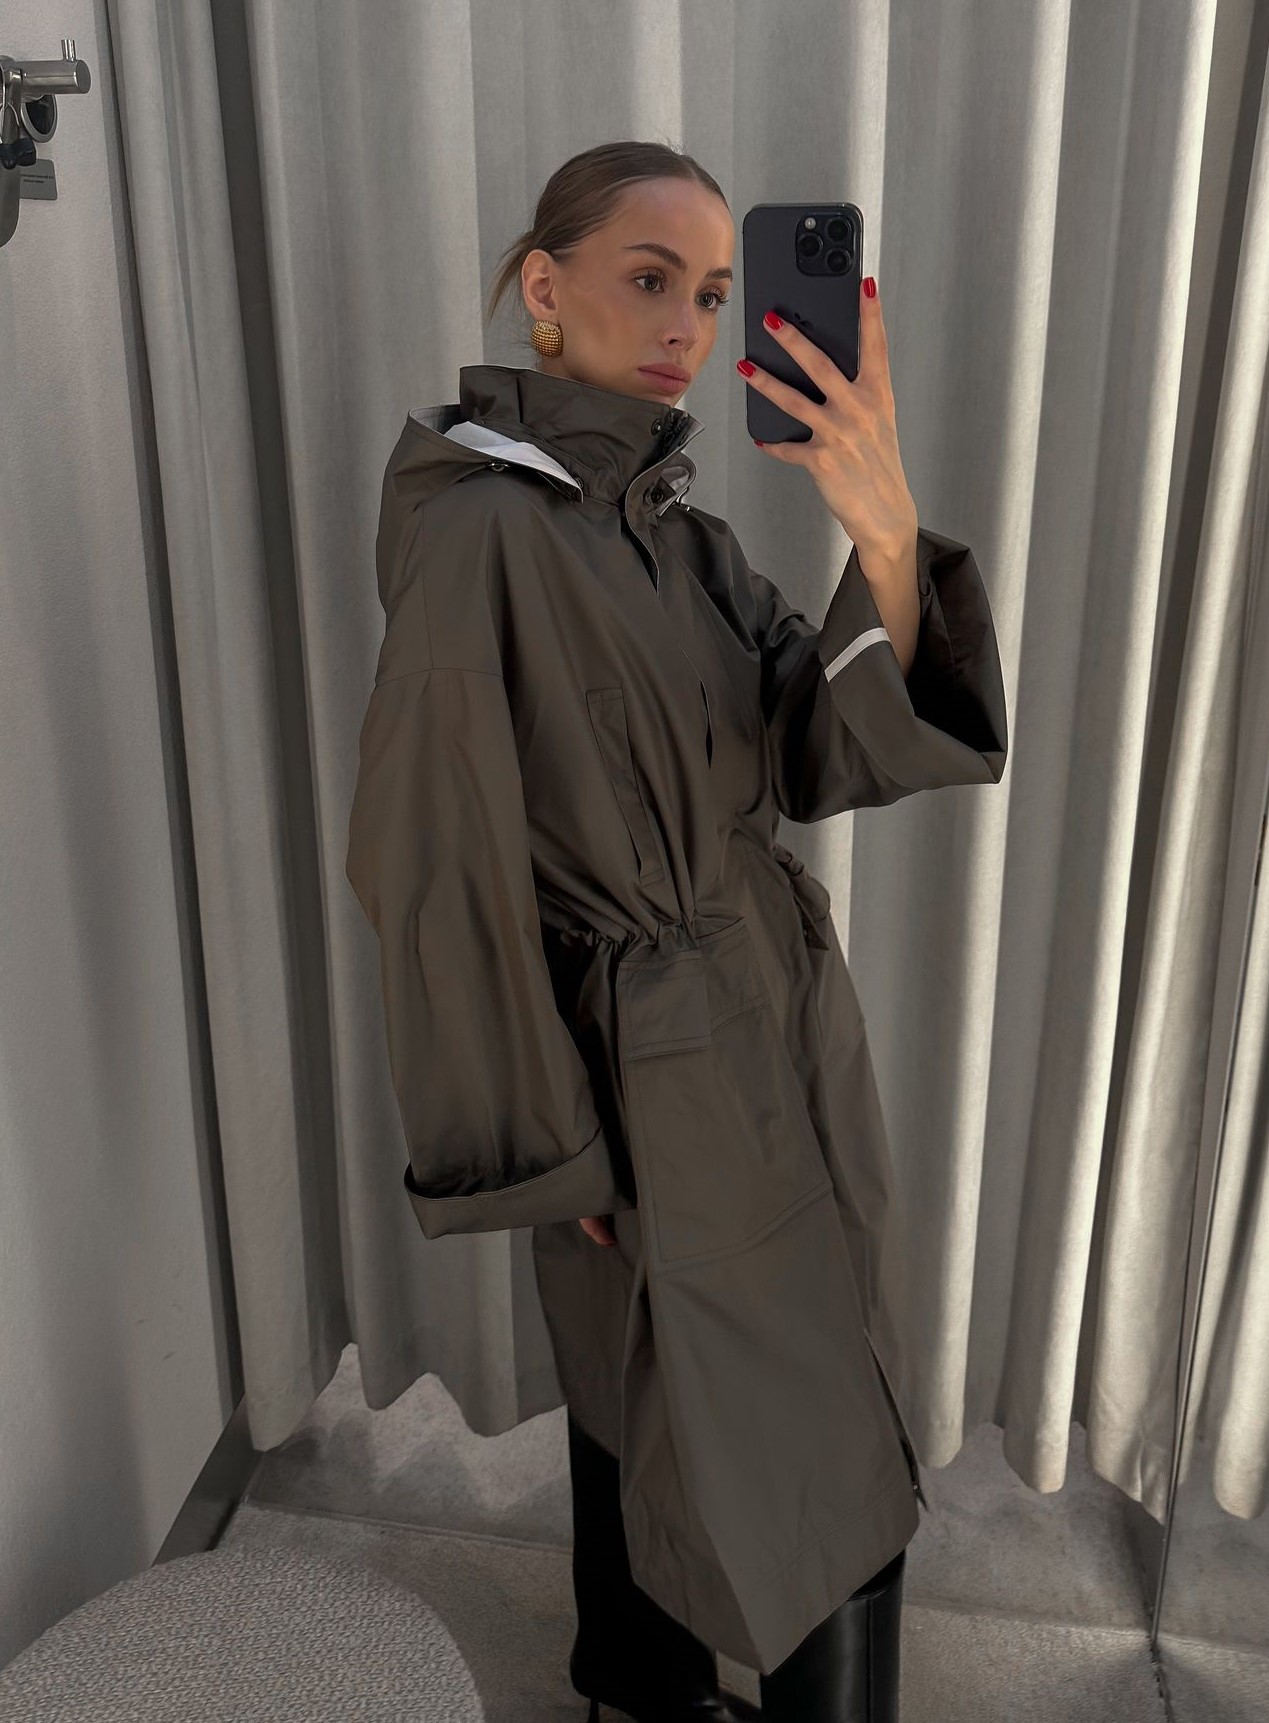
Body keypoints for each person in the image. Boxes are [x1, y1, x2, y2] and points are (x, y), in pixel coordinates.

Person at [345, 139, 1008, 1723]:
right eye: (649, 279)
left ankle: (632, 1678)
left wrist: (885, 536)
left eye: (712, 295)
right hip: (640, 1070)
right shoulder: (484, 534)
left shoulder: (685, 540)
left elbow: (815, 749)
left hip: (773, 1020)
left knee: (665, 1381)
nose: (687, 326)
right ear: (545, 287)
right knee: (804, 1445)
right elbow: (435, 860)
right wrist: (547, 1144)